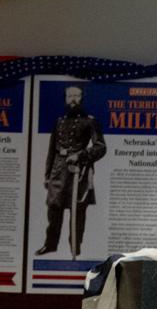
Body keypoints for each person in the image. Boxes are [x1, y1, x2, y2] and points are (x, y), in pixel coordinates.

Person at [36, 85, 106, 258]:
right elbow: (52, 150)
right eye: (69, 96)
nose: (73, 99)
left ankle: (75, 247)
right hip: (58, 171)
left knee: (78, 211)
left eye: (76, 96)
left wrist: (81, 155)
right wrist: (47, 175)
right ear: (65, 99)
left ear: (82, 98)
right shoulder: (59, 121)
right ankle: (50, 245)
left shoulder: (90, 121)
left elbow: (100, 147)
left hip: (79, 172)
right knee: (54, 210)